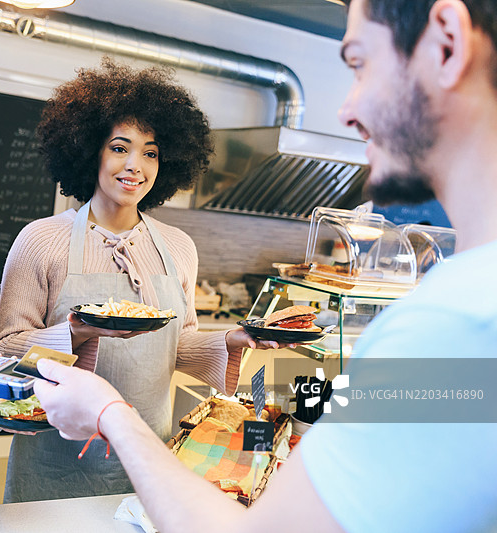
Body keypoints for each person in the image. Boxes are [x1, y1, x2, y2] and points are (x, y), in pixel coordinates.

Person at [33, 1, 497, 531]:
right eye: (120, 148)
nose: (346, 110)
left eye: (358, 61)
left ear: (447, 41)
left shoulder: (452, 327)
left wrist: (109, 414)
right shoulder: (459, 315)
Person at [0, 58, 290, 503]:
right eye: (119, 147)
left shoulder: (178, 247)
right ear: (89, 149)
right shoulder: (42, 240)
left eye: (150, 152)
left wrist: (233, 339)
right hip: (55, 457)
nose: (135, 165)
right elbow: (7, 346)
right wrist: (76, 331)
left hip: (146, 450)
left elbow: (178, 343)